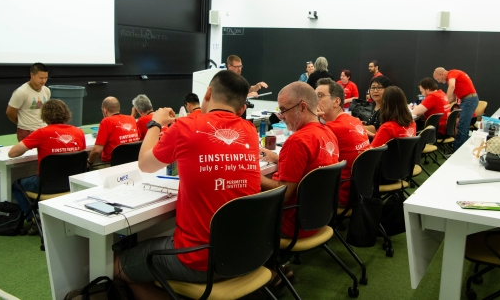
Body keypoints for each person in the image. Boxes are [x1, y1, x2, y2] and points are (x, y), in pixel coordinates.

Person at [116, 70, 261, 299]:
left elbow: (145, 164)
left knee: (119, 266)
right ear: (242, 108)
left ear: (208, 93)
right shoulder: (250, 131)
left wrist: (155, 123)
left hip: (200, 259)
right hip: (247, 253)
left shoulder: (186, 125)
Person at [259, 82, 339, 239]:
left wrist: (252, 173)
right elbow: (310, 166)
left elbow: (285, 193)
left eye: (284, 110)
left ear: (303, 107)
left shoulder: (298, 141)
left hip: (291, 225)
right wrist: (279, 157)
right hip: (318, 218)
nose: (281, 117)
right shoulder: (329, 133)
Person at [8, 99, 86, 234]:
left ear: (44, 115)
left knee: (16, 185)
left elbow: (12, 153)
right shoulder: (78, 132)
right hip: (72, 184)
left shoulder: (41, 133)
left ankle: (34, 218)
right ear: (66, 113)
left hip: (46, 185)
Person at [316, 78, 370, 206]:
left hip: (341, 193)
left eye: (320, 96)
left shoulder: (331, 128)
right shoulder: (354, 120)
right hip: (361, 189)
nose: (314, 101)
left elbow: (308, 164)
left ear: (336, 101)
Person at [433, 67, 479, 151]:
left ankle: (457, 151)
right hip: (467, 100)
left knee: (462, 127)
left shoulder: (452, 74)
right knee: (463, 127)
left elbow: (452, 86)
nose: (438, 81)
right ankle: (462, 150)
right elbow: (453, 98)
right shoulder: (452, 78)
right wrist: (443, 105)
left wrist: (445, 99)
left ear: (441, 74)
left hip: (469, 100)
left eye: (438, 79)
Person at [88, 97, 139, 167]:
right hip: (132, 164)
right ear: (118, 108)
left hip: (111, 165)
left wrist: (89, 163)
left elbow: (97, 150)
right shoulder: (132, 119)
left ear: (105, 111)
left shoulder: (106, 121)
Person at [6, 63, 51, 141]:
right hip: (27, 131)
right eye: (41, 78)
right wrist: (21, 124)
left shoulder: (46, 90)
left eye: (46, 78)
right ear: (32, 75)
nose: (44, 81)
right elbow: (10, 112)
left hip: (44, 129)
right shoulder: (21, 92)